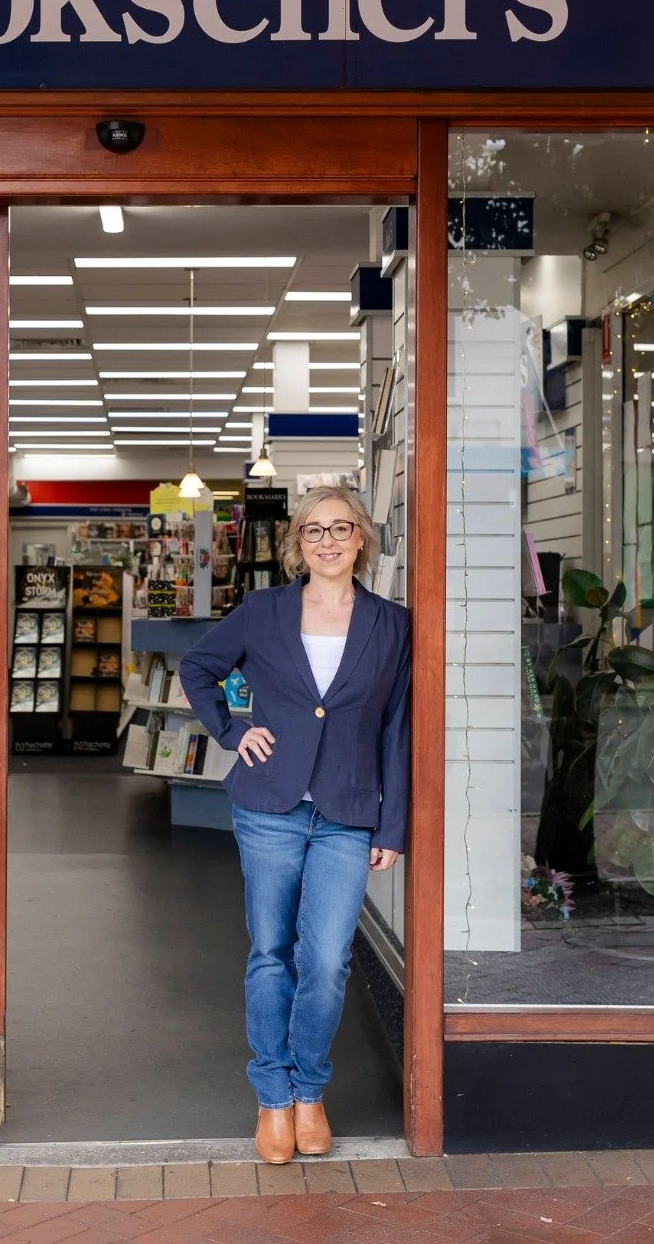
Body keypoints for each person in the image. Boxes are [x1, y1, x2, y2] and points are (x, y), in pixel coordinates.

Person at [178, 485, 410, 1164]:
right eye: (314, 530)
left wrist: (391, 826)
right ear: (296, 545)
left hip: (347, 809)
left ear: (362, 538)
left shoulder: (391, 624)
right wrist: (232, 730)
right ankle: (274, 1098)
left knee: (330, 959)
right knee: (271, 950)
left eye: (341, 528)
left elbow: (396, 728)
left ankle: (311, 1088)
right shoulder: (264, 611)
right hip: (269, 806)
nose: (329, 540)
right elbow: (199, 668)